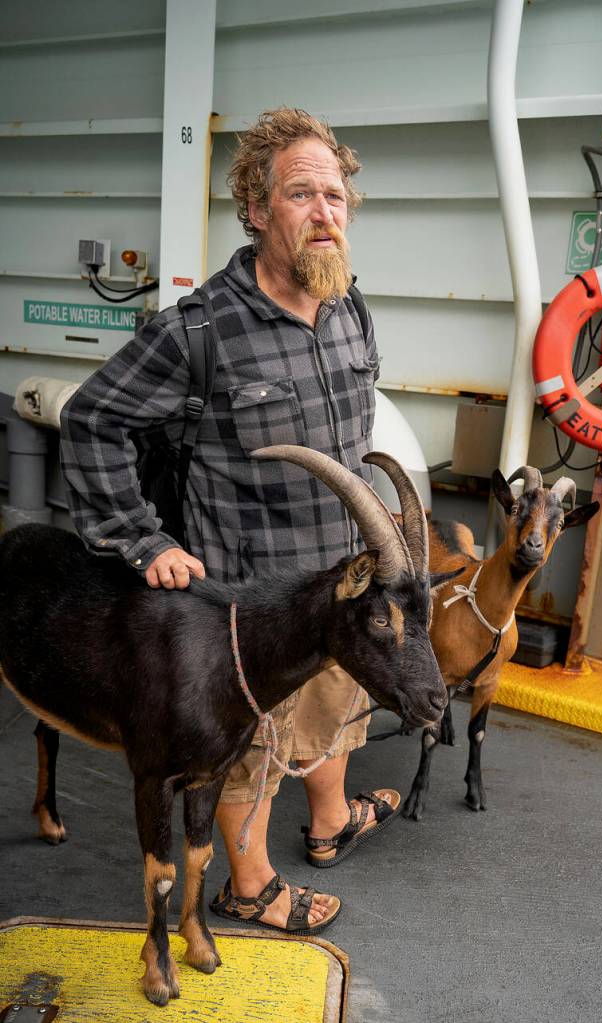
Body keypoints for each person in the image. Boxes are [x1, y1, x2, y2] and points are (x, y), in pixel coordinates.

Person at [60, 107, 400, 935]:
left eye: (336, 196)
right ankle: (247, 883)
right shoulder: (197, 332)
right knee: (248, 744)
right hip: (252, 599)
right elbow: (92, 420)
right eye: (300, 195)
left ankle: (329, 821)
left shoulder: (348, 303)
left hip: (340, 579)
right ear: (255, 209)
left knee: (336, 704)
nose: (325, 213)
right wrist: (145, 539)